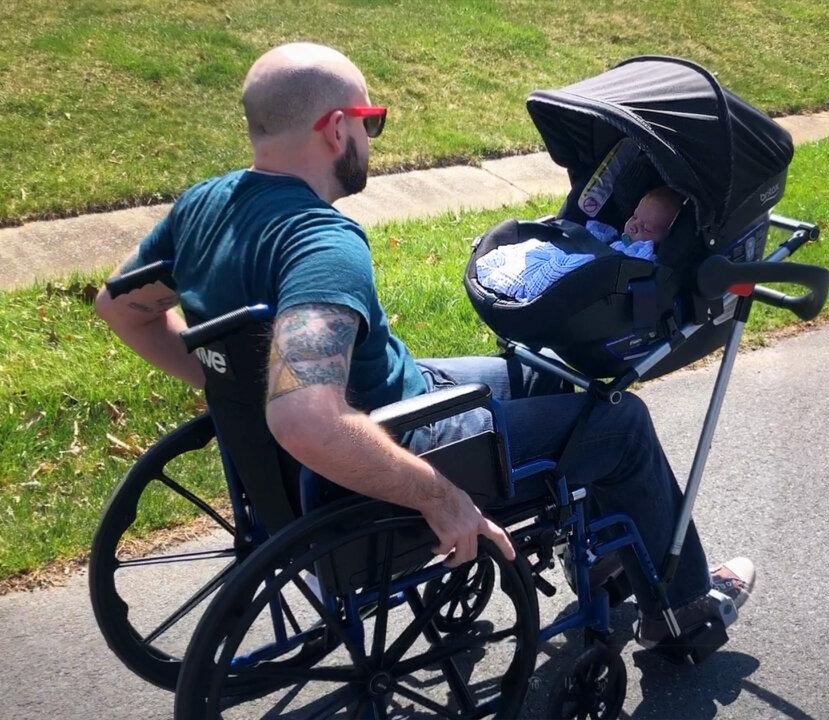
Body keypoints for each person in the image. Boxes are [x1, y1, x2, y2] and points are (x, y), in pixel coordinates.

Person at [93, 42, 755, 648]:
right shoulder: (320, 243)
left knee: (554, 379)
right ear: (335, 128)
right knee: (622, 422)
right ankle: (684, 612)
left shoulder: (204, 205)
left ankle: (614, 555)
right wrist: (440, 498)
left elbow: (120, 309)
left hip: (382, 408)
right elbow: (303, 418)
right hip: (411, 444)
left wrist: (225, 377)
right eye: (370, 122)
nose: (370, 139)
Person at [475, 186, 682, 302]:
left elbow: (633, 267)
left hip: (601, 274)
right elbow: (594, 235)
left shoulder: (645, 258)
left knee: (564, 265)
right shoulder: (614, 237)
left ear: (665, 238)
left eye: (646, 228)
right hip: (586, 250)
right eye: (635, 217)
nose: (634, 226)